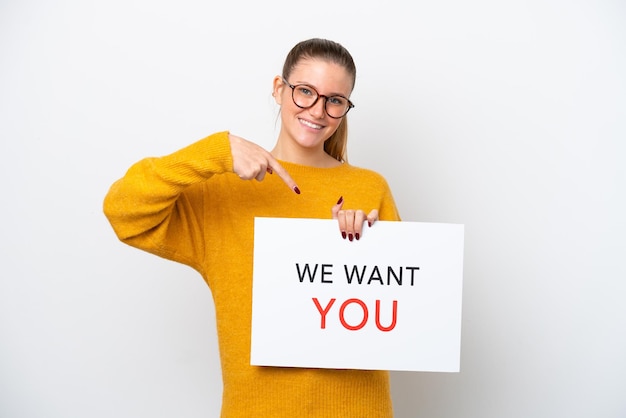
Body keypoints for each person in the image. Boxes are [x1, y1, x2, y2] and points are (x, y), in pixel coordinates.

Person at [103, 38, 400, 417]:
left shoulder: (369, 188)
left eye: (335, 100)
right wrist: (217, 152)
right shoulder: (224, 192)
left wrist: (369, 249)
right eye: (305, 92)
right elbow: (122, 210)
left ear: (345, 108)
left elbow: (398, 322)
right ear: (280, 89)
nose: (318, 110)